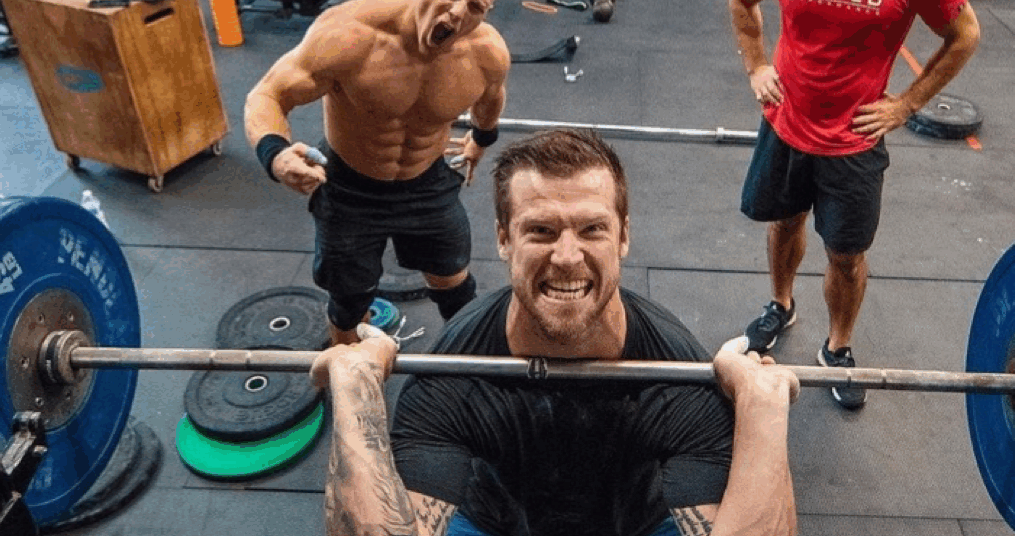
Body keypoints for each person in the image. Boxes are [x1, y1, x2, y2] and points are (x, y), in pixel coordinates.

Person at [309, 130, 801, 536]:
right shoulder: (451, 377)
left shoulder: (679, 380)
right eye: (541, 231)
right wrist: (355, 386)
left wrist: (762, 406)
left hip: (635, 523)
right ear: (504, 239)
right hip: (494, 521)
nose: (567, 257)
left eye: (592, 230)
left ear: (623, 237)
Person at [728, 0, 981, 410]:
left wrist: (907, 104)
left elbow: (965, 34)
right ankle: (780, 305)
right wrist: (757, 66)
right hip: (786, 125)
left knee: (846, 256)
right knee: (784, 223)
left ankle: (837, 347)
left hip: (853, 141)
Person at [244, 0, 513, 346]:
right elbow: (268, 95)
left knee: (455, 285)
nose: (458, 12)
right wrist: (275, 154)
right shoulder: (352, 34)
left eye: (477, 6)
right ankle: (348, 368)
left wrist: (480, 142)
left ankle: (470, 364)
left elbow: (490, 101)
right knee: (349, 299)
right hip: (350, 186)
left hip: (426, 182)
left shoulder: (486, 55)